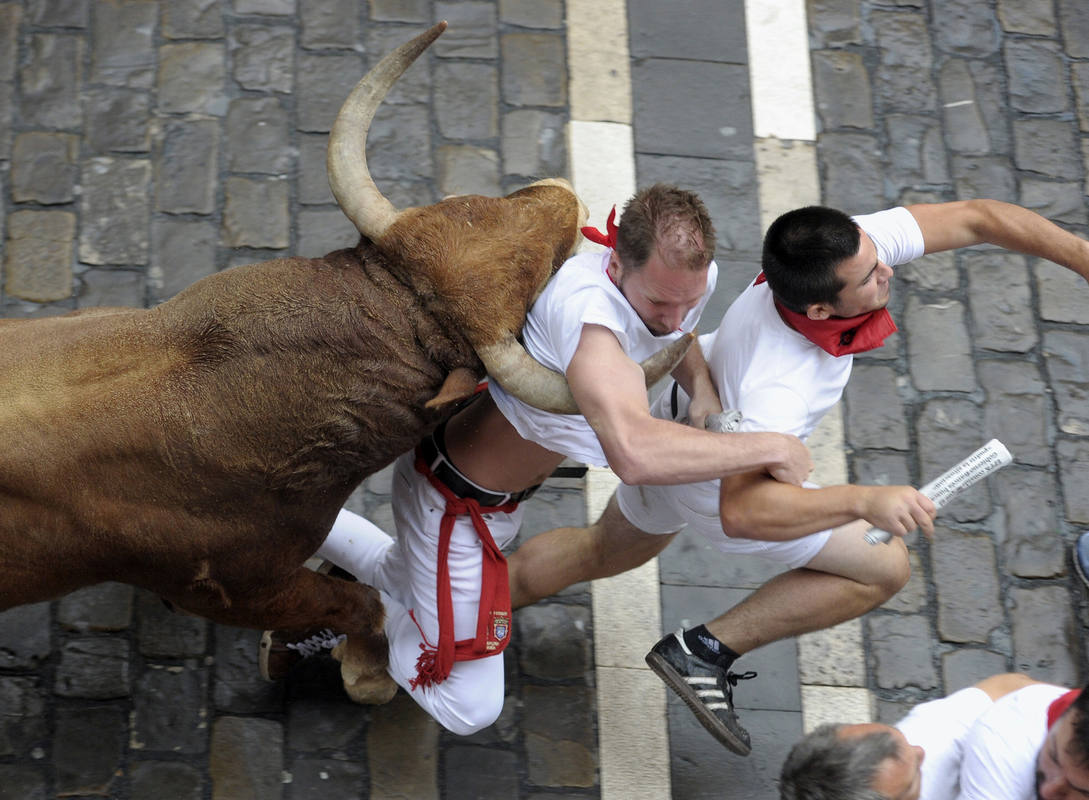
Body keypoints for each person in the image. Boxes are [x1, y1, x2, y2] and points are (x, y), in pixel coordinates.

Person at [505, 199, 1089, 755]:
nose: (886, 269)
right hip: (717, 482)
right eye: (868, 278)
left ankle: (467, 606)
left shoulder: (833, 254)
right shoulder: (780, 386)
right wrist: (864, 500)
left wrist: (1083, 258)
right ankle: (703, 651)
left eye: (875, 257)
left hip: (682, 422)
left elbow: (977, 218)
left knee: (603, 549)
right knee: (883, 568)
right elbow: (744, 512)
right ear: (819, 312)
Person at [258, 184, 812, 735]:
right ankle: (366, 620)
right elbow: (636, 455)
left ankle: (280, 520)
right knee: (469, 708)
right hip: (452, 511)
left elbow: (678, 335)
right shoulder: (589, 326)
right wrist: (772, 446)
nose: (674, 317)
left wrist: (706, 395)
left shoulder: (680, 281)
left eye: (687, 300)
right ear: (615, 263)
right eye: (659, 303)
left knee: (403, 574)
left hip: (485, 501)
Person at [779, 672, 1089, 800]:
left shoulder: (929, 732)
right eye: (912, 781)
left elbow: (1009, 687)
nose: (920, 752)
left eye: (902, 740)